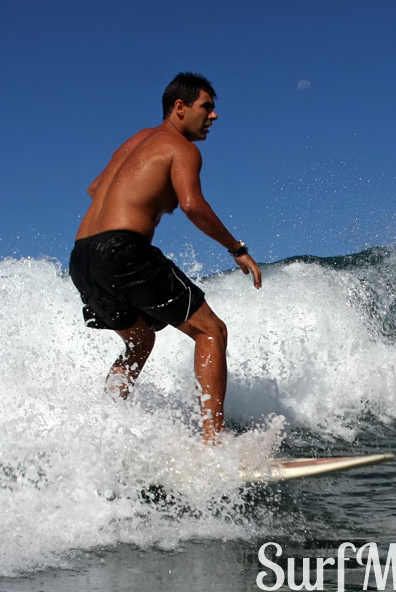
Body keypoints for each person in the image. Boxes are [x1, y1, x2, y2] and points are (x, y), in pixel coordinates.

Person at [69, 72, 262, 444]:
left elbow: (96, 188)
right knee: (212, 331)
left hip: (82, 259)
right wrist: (237, 249)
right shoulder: (183, 148)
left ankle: (108, 425)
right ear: (180, 107)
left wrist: (143, 196)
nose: (213, 116)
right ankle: (213, 445)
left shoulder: (136, 141)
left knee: (140, 341)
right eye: (206, 107)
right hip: (123, 249)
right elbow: (192, 204)